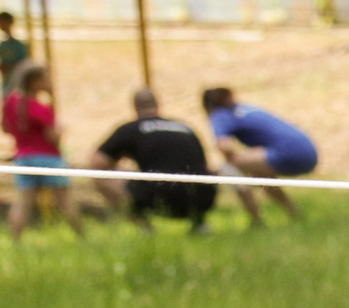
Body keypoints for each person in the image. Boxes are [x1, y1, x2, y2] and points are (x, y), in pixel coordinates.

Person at [91, 88, 217, 232]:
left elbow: (97, 163)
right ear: (157, 104)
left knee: (101, 177)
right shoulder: (185, 127)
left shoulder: (131, 129)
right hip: (202, 197)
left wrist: (124, 163)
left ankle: (145, 229)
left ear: (135, 107)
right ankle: (199, 224)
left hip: (158, 197)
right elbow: (205, 163)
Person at [201, 86, 316, 223]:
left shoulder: (220, 114)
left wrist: (231, 159)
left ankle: (256, 219)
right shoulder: (247, 108)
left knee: (229, 168)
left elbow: (224, 146)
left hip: (287, 155)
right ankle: (294, 214)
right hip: (309, 152)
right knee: (258, 173)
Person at [1, 61, 81, 240]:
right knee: (65, 200)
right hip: (49, 158)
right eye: (46, 79)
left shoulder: (11, 102)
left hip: (22, 158)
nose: (49, 82)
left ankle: (15, 241)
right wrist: (60, 130)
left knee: (23, 202)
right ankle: (82, 238)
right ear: (35, 82)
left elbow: (5, 127)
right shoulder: (41, 108)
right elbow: (53, 138)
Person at [0, 11, 27, 94]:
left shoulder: (18, 45)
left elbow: (23, 63)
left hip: (16, 82)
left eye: (1, 22)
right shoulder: (3, 44)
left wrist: (7, 67)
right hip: (7, 82)